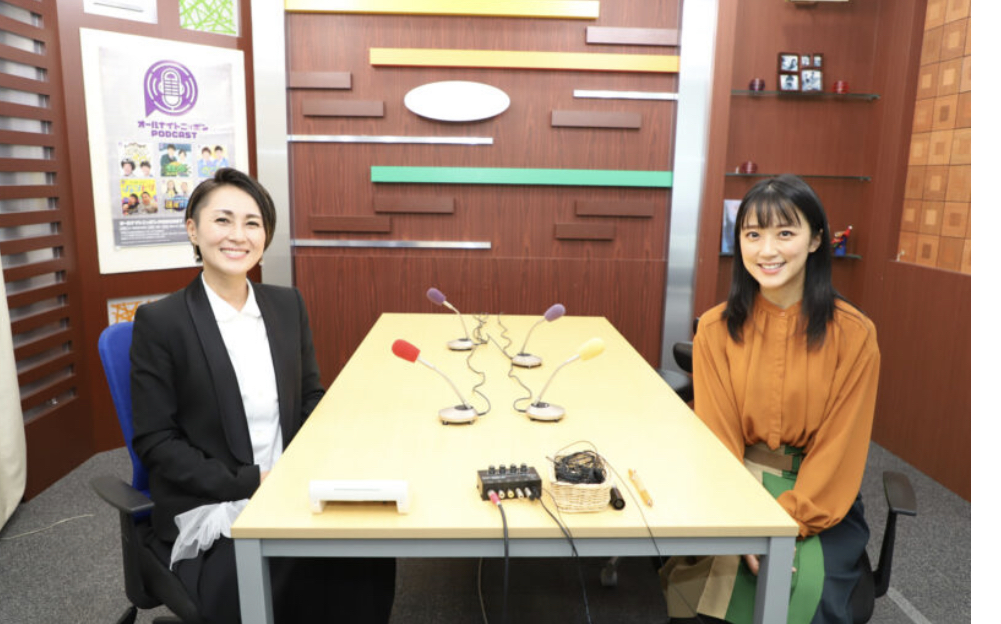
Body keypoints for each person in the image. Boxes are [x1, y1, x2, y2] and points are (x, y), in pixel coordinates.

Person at [130, 168, 397, 624]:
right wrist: (253, 482)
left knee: (368, 551)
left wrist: (331, 455)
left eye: (252, 223)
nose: (238, 236)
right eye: (223, 220)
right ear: (193, 230)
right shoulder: (162, 322)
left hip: (291, 485)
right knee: (293, 568)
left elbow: (310, 398)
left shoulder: (286, 305)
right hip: (214, 501)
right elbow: (157, 442)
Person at [660, 174, 880, 624]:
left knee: (808, 597)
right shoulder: (716, 329)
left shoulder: (854, 334)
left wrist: (783, 528)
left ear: (815, 240)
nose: (767, 250)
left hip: (819, 495)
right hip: (735, 487)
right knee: (696, 599)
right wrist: (743, 523)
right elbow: (718, 439)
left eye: (785, 233)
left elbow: (839, 448)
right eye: (753, 234)